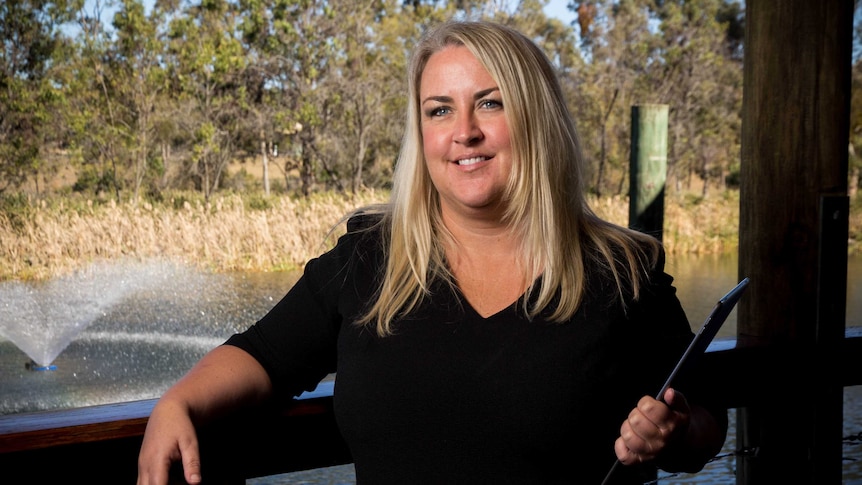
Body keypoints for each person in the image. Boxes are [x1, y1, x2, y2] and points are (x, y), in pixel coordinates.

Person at [137, 20, 727, 485]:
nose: (463, 131)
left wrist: (674, 433)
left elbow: (704, 422)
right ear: (422, 136)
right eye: (439, 109)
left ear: (536, 119)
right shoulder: (369, 259)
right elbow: (263, 355)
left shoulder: (622, 272)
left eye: (490, 103)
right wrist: (178, 403)